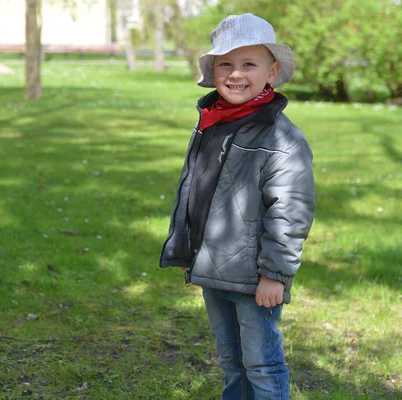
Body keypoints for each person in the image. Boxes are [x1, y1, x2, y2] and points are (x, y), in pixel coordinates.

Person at [159, 13, 315, 400]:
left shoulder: (282, 138)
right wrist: (188, 248)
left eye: (249, 64)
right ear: (213, 70)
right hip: (213, 267)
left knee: (261, 364)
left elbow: (289, 211)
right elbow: (198, 190)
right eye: (225, 64)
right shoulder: (214, 120)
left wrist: (274, 274)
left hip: (253, 277)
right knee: (231, 360)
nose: (236, 74)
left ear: (272, 71)